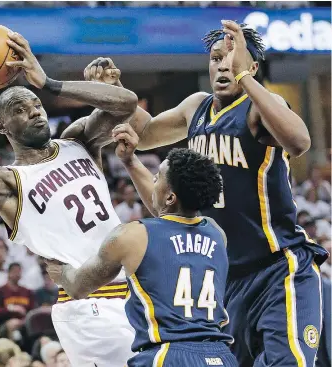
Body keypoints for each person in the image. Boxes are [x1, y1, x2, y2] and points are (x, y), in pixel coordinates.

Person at [84, 20, 329, 367]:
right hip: (225, 276)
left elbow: (300, 142)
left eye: (232, 59)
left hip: (276, 266)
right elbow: (148, 133)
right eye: (216, 58)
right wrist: (114, 92)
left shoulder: (262, 106)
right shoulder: (196, 107)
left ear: (252, 66)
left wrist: (246, 79)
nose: (223, 65)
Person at [0, 31, 143, 367]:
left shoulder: (78, 141)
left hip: (136, 290)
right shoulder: (9, 183)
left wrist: (48, 83)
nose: (35, 112)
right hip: (90, 304)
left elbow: (127, 103)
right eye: (21, 110)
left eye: (37, 105)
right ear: (3, 127)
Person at [47, 141, 237, 366]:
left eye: (157, 177)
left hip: (168, 354)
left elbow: (78, 287)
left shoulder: (133, 235)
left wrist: (61, 273)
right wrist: (130, 161)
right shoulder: (216, 233)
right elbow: (168, 214)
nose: (152, 180)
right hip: (221, 356)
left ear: (170, 197)